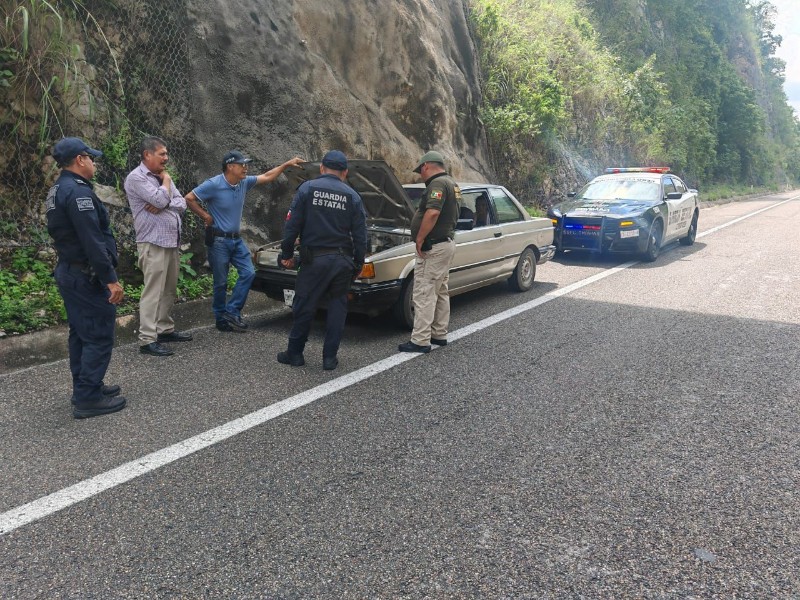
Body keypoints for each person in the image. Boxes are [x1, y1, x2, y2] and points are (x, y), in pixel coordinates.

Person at [45, 137, 127, 419]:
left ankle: (86, 387)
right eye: (90, 158)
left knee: (81, 333)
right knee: (97, 335)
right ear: (80, 160)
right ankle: (88, 398)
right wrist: (110, 279)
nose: (93, 162)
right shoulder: (78, 193)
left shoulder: (58, 189)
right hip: (85, 274)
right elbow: (92, 240)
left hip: (70, 270)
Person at [185, 151, 303, 331]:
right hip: (218, 241)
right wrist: (205, 215)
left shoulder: (243, 183)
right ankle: (221, 319)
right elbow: (189, 198)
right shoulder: (214, 184)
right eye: (242, 164)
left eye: (246, 164)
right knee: (220, 282)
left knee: (248, 272)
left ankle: (232, 311)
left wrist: (286, 164)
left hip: (236, 240)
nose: (246, 168)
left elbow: (267, 176)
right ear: (230, 167)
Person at [277, 150, 367, 371]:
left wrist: (286, 255)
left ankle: (295, 353)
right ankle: (329, 358)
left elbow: (292, 227)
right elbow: (361, 236)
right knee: (337, 307)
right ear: (344, 172)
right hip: (342, 261)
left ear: (321, 168)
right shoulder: (353, 196)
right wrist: (358, 263)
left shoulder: (307, 189)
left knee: (305, 305)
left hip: (314, 261)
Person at [124, 136, 193, 357]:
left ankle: (164, 329)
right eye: (162, 153)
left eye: (166, 153)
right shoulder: (137, 178)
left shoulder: (162, 177)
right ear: (147, 154)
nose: (166, 158)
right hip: (152, 242)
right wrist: (165, 186)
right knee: (152, 292)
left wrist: (164, 201)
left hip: (171, 241)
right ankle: (147, 339)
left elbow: (181, 203)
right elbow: (161, 200)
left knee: (169, 290)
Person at [398, 151, 461, 353]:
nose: (421, 175)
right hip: (446, 244)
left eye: (420, 171)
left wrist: (420, 238)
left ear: (426, 167)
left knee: (424, 292)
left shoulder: (437, 184)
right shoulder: (452, 183)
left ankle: (420, 340)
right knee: (440, 290)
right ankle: (438, 333)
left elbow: (433, 212)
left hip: (434, 246)